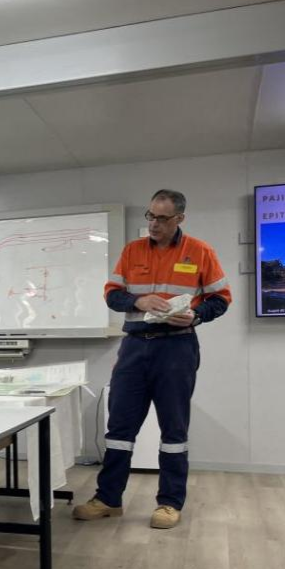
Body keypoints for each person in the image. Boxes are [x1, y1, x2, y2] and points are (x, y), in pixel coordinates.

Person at [72, 189, 231, 529]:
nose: (154, 224)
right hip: (134, 347)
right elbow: (112, 295)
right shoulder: (133, 251)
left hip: (177, 347)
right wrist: (138, 301)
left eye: (162, 218)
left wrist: (196, 315)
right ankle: (108, 499)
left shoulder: (200, 251)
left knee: (174, 428)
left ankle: (169, 503)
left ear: (179, 219)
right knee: (119, 428)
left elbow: (221, 299)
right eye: (151, 216)